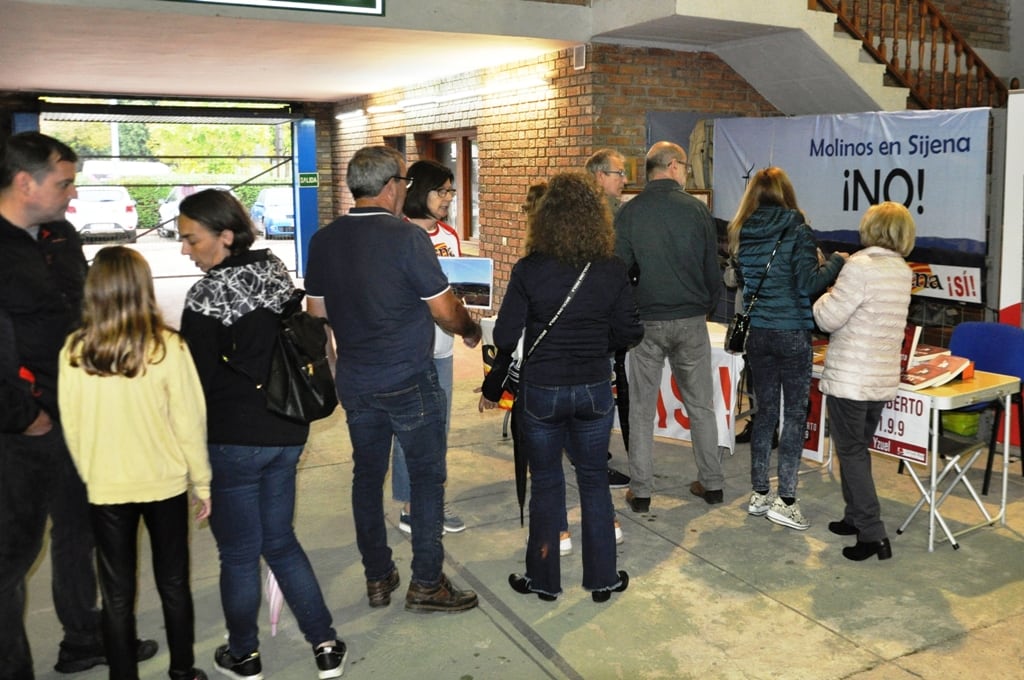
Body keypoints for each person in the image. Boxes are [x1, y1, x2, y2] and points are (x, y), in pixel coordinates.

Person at [0, 131, 158, 679]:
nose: (71, 195)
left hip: (79, 413)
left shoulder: (61, 236)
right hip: (21, 429)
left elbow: (86, 306)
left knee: (79, 528)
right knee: (10, 558)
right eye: (64, 183)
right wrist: (24, 415)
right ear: (25, 182)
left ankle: (82, 637)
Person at [177, 189, 346, 679]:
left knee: (238, 553)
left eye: (192, 239)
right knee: (281, 541)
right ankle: (325, 645)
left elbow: (194, 382)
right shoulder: (275, 273)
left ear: (224, 236)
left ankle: (244, 654)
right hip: (286, 433)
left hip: (233, 440)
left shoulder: (206, 296)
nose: (185, 249)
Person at [305, 145, 482, 613]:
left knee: (366, 478)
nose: (405, 190)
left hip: (357, 381)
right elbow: (444, 310)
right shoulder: (407, 240)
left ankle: (378, 576)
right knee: (426, 480)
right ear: (390, 187)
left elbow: (316, 317)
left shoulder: (323, 241)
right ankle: (427, 583)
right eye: (404, 182)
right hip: (408, 377)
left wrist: (337, 369)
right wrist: (470, 329)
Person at [479, 171, 642, 603]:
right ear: (596, 219)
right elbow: (629, 331)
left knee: (547, 482)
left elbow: (505, 335)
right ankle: (603, 580)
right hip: (592, 387)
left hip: (542, 390)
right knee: (592, 479)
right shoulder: (611, 269)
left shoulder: (530, 269)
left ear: (546, 219)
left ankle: (545, 581)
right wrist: (595, 342)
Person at [57, 247, 211, 680]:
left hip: (106, 488)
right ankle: (182, 672)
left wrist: (94, 476)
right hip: (164, 486)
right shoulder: (169, 347)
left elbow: (72, 426)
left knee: (116, 593)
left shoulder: (74, 351)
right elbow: (190, 422)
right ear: (143, 289)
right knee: (174, 585)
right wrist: (203, 483)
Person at [727, 167, 846, 530]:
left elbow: (745, 282)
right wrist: (837, 262)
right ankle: (788, 500)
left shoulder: (742, 233)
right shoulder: (798, 230)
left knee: (765, 414)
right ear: (786, 193)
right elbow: (810, 284)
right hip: (792, 332)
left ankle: (760, 493)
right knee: (794, 416)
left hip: (758, 333)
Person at [613, 141, 724, 512]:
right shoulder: (696, 210)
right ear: (674, 166)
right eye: (686, 167)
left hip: (646, 321)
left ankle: (641, 491)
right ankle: (712, 484)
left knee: (641, 408)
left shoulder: (629, 214)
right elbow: (713, 271)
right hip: (692, 320)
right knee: (701, 405)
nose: (687, 173)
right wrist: (704, 307)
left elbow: (618, 271)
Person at [813, 202, 914, 561]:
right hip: (880, 379)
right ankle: (854, 517)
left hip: (851, 379)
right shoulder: (902, 271)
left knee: (851, 452)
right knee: (857, 449)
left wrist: (823, 291)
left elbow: (828, 318)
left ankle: (872, 534)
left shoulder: (858, 267)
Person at [391, 160, 466, 536]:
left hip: (443, 348)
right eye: (442, 192)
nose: (448, 199)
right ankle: (410, 504)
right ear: (419, 191)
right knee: (410, 428)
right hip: (408, 350)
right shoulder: (395, 234)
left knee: (440, 427)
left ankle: (433, 495)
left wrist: (467, 318)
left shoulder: (449, 236)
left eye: (451, 192)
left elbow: (456, 290)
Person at [585, 148, 632, 491]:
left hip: (589, 318)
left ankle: (591, 454)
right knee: (600, 391)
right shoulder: (608, 215)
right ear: (600, 176)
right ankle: (594, 461)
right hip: (601, 318)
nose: (625, 179)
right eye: (619, 173)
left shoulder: (579, 212)